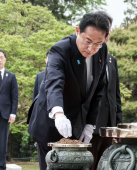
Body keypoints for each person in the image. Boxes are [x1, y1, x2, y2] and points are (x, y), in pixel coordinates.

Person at [27, 12, 109, 170]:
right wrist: (58, 113)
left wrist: (90, 125)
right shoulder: (60, 50)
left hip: (78, 122)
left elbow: (98, 90)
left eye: (98, 43)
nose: (92, 48)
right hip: (50, 121)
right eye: (88, 41)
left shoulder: (102, 50)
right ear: (78, 30)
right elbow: (54, 82)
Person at [87, 11, 122, 170]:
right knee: (90, 163)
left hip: (109, 125)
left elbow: (115, 94)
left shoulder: (111, 59)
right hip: (92, 124)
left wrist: (118, 124)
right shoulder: (88, 56)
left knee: (105, 164)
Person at [0, 49, 18, 170]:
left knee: (3, 143)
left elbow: (14, 96)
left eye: (1, 57)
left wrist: (13, 113)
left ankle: (1, 166)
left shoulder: (11, 76)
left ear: (5, 60)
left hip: (5, 114)